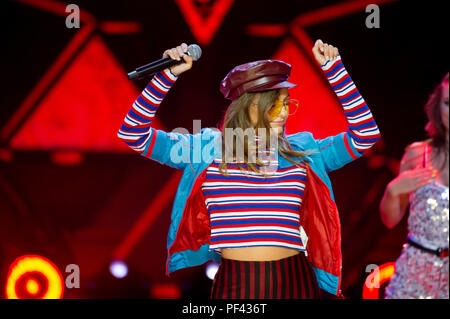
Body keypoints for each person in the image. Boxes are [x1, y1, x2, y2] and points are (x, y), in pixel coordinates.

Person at [118, 40, 381, 299]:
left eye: (288, 103)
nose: (285, 112)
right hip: (235, 281)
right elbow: (133, 134)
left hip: (295, 279)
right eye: (276, 104)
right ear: (250, 105)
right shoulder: (207, 149)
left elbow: (365, 135)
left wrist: (336, 71)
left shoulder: (302, 150)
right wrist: (166, 75)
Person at [379, 73, 449, 299]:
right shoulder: (418, 154)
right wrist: (392, 191)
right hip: (414, 276)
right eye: (448, 103)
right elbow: (390, 220)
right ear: (438, 107)